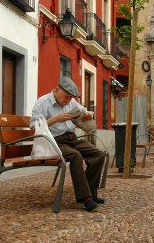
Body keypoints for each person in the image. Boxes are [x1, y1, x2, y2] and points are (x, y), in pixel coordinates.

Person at [30, 77, 106, 212]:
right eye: (66, 97)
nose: (68, 100)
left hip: (72, 139)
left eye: (70, 98)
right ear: (57, 89)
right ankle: (85, 198)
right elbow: (33, 128)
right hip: (53, 141)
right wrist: (54, 120)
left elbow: (85, 112)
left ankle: (91, 193)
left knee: (98, 154)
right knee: (75, 155)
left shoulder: (72, 103)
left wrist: (88, 115)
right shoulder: (42, 102)